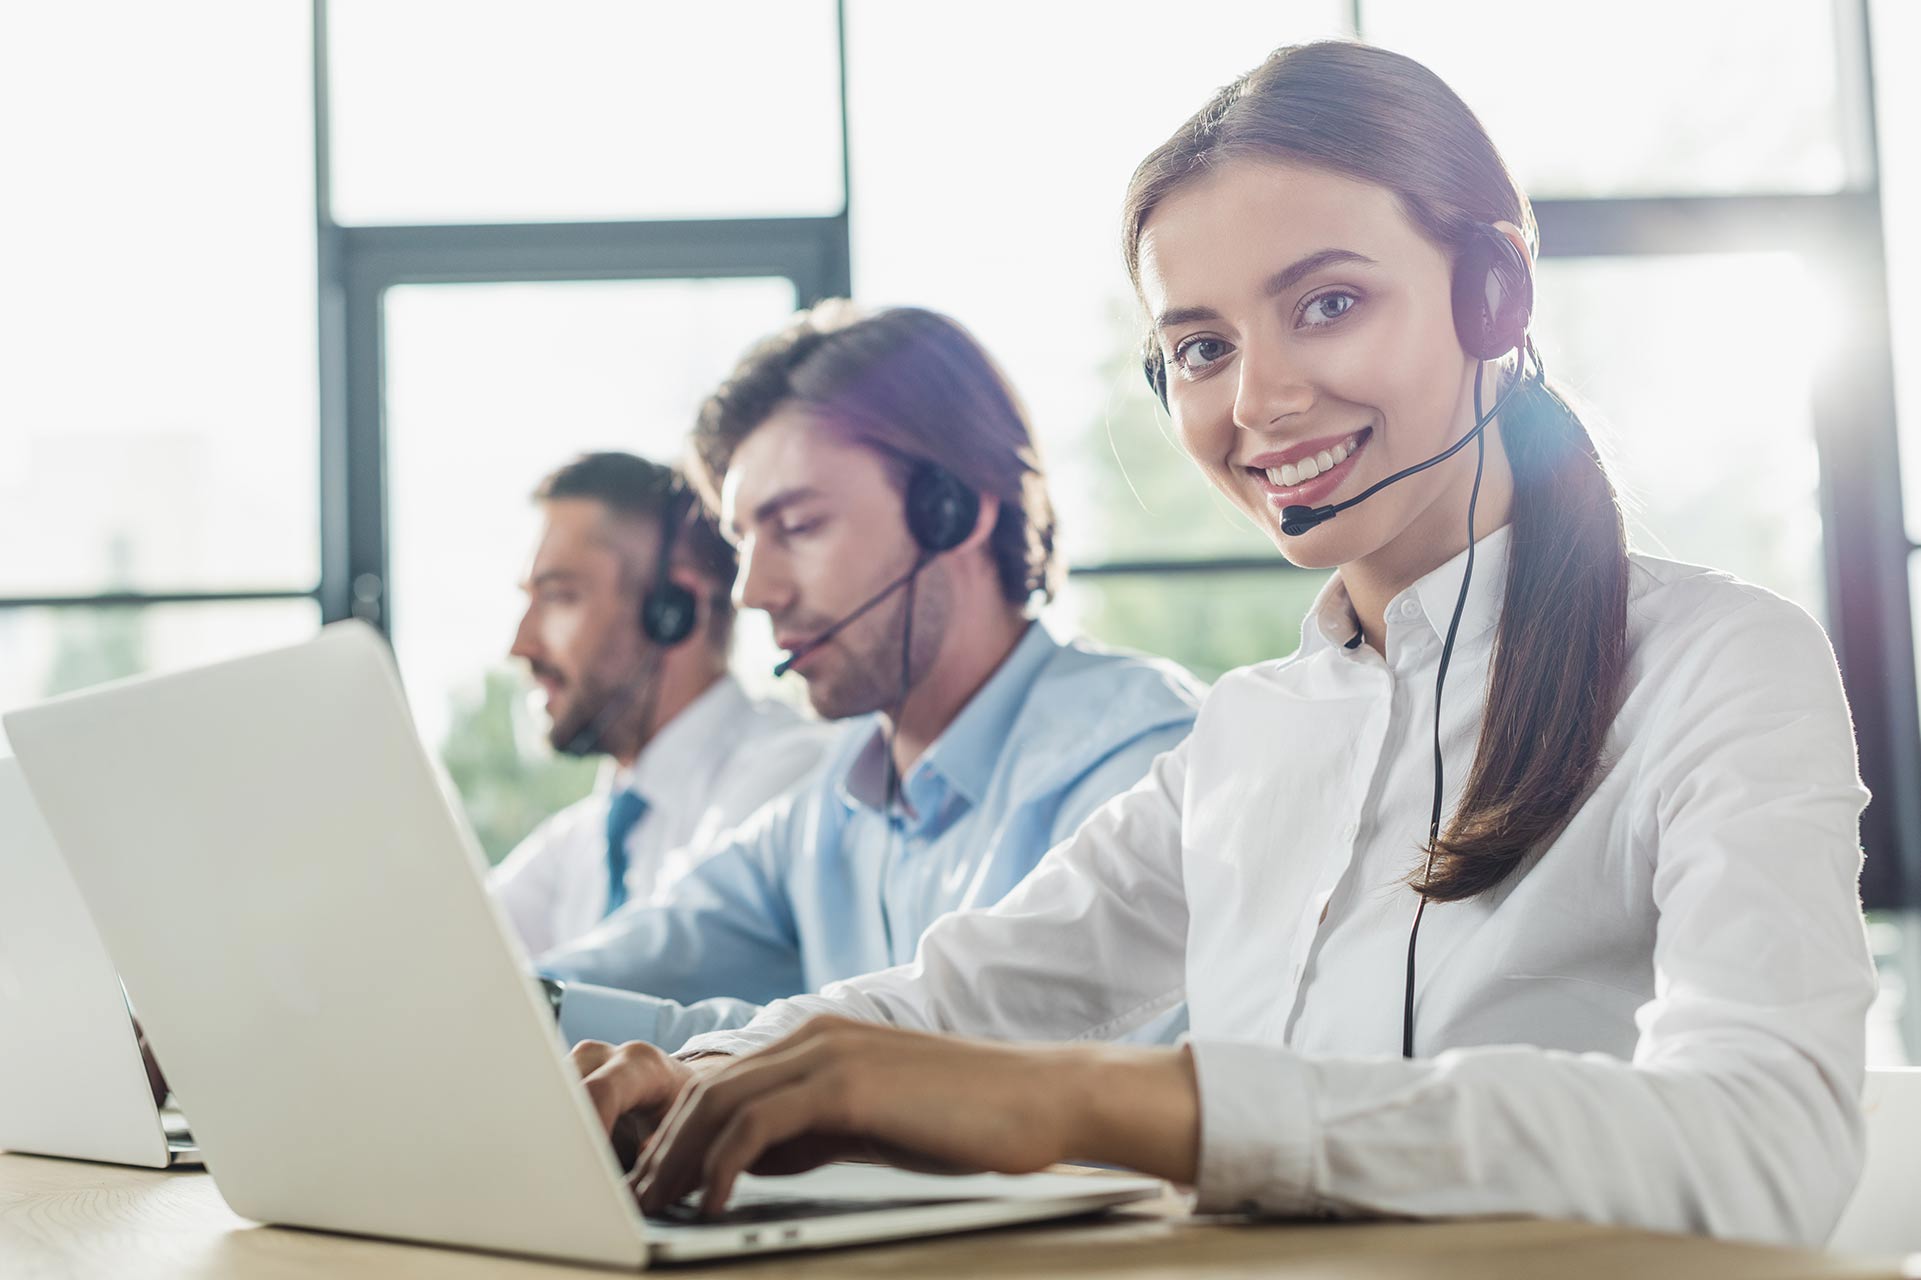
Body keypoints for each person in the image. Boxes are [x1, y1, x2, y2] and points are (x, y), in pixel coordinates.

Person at [576, 42, 1877, 1248]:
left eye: (1325, 304)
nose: (1256, 402)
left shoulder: (1720, 664)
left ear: (1493, 296)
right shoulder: (1249, 737)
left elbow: (1769, 1140)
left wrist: (1130, 1104)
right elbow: (963, 996)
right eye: (1200, 347)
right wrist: (693, 1075)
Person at [537, 303, 1205, 1052]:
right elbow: (646, 959)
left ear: (952, 510)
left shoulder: (1138, 766)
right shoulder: (829, 800)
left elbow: (1070, 1108)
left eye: (797, 528)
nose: (752, 592)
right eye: (743, 542)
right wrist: (510, 1006)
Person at [490, 453, 831, 956]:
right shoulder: (582, 837)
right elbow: (453, 955)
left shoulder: (789, 777)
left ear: (673, 608)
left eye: (560, 597)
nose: (521, 645)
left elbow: (669, 958)